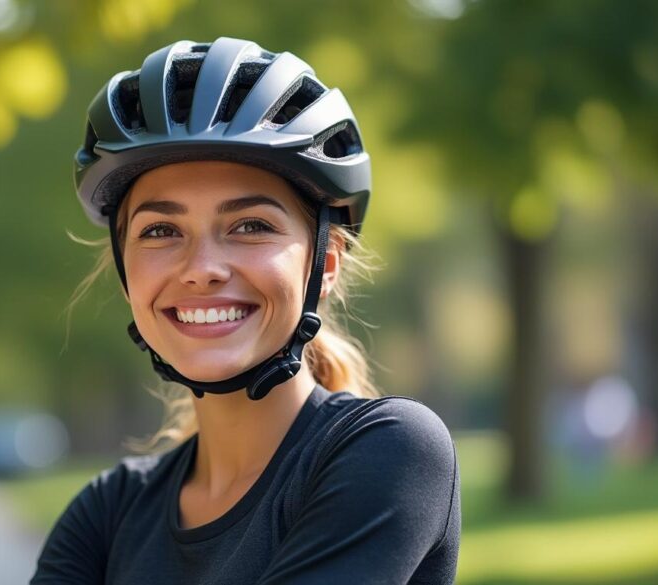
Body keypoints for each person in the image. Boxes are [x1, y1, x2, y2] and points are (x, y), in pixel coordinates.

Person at [31, 37, 460, 584]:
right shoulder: (105, 515)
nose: (201, 267)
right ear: (126, 275)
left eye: (251, 226)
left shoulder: (390, 450)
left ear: (325, 264)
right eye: (161, 231)